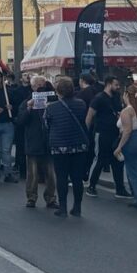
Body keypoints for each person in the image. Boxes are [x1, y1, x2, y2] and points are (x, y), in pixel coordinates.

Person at [45, 77, 90, 217]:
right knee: (77, 178)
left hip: (59, 146)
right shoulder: (81, 104)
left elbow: (46, 126)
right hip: (79, 145)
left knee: (62, 177)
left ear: (58, 92)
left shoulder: (51, 107)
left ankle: (62, 207)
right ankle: (77, 207)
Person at [15, 76, 57, 209]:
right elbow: (20, 121)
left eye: (42, 84)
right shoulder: (26, 102)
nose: (40, 87)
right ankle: (31, 198)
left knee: (51, 173)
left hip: (48, 142)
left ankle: (50, 198)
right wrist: (28, 109)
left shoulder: (53, 101)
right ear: (32, 87)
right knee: (32, 174)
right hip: (33, 142)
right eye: (37, 85)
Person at [86, 76, 129, 198]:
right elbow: (89, 116)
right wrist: (87, 133)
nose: (118, 87)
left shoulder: (116, 97)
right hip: (102, 132)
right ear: (109, 84)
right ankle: (91, 186)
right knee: (100, 159)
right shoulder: (99, 98)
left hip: (115, 133)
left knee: (117, 160)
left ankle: (120, 189)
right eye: (116, 85)